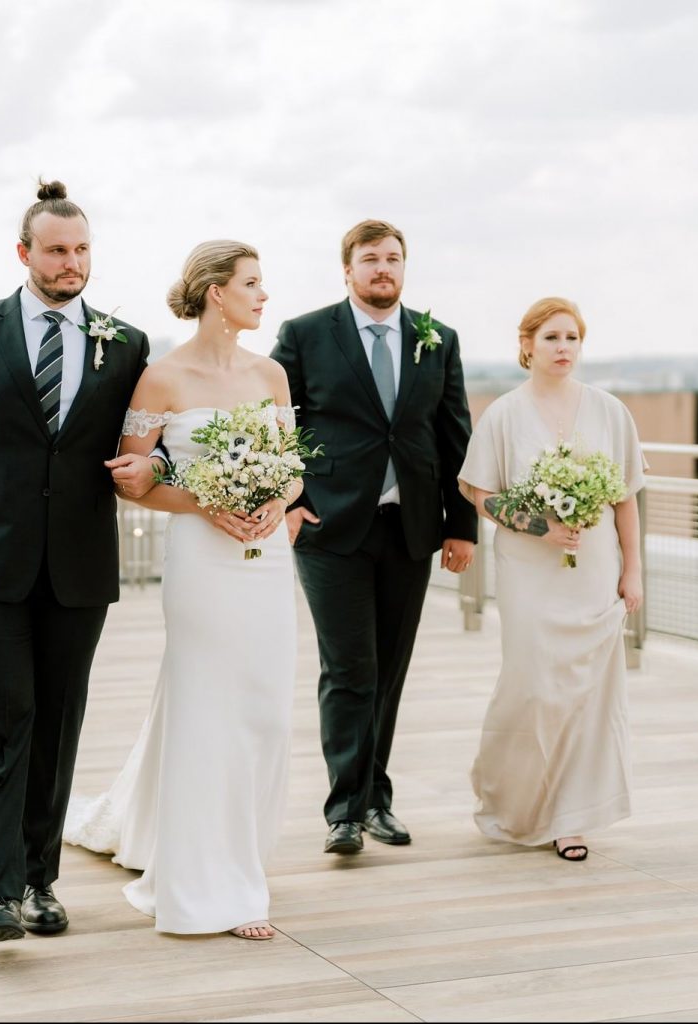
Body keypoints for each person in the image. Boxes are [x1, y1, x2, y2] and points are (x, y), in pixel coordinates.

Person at [0, 181, 153, 944]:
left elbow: (145, 444)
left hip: (77, 564)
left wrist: (159, 472)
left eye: (81, 250)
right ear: (25, 253)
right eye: (56, 250)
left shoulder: (127, 341)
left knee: (57, 725)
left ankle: (43, 881)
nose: (71, 263)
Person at [64, 240, 297, 941]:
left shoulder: (272, 375)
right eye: (252, 284)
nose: (263, 297)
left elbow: (294, 470)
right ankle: (208, 888)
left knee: (265, 714)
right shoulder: (161, 379)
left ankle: (242, 859)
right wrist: (205, 502)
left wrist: (277, 503)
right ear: (215, 292)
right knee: (207, 712)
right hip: (202, 563)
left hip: (267, 561)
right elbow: (133, 479)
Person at [271, 219, 477, 855]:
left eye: (392, 259)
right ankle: (344, 810)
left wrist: (460, 526)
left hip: (409, 527)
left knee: (388, 669)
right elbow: (274, 422)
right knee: (350, 666)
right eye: (370, 259)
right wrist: (290, 501)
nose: (382, 268)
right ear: (348, 269)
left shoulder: (435, 339)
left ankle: (375, 800)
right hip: (330, 525)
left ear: (403, 268)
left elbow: (453, 436)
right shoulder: (306, 335)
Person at [457, 296, 646, 862]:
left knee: (589, 693)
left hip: (594, 572)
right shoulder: (504, 415)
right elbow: (481, 494)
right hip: (529, 573)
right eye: (552, 339)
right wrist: (539, 527)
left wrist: (633, 571)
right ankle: (515, 799)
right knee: (535, 687)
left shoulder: (610, 411)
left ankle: (572, 817)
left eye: (572, 339)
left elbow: (626, 500)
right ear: (527, 346)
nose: (564, 348)